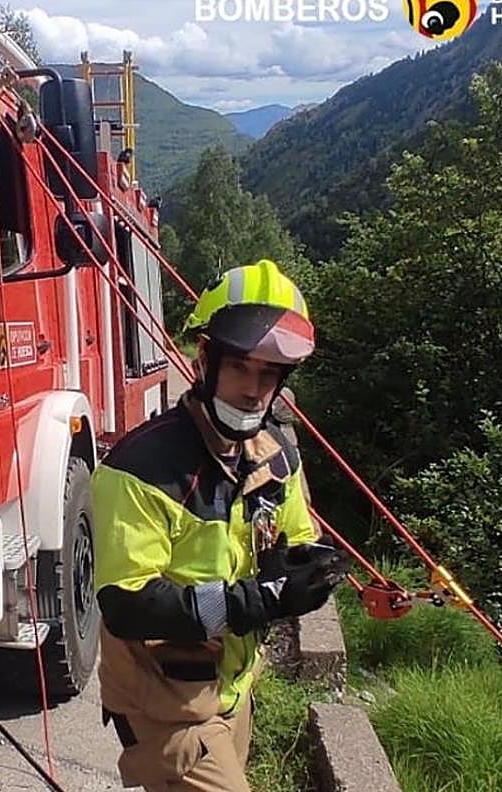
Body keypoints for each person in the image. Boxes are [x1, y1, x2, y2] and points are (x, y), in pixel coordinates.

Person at [92, 258, 350, 791]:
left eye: (269, 374)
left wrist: (304, 567)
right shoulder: (140, 468)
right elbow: (128, 604)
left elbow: (298, 538)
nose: (254, 390)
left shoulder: (274, 455)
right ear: (205, 359)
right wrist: (261, 600)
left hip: (234, 690)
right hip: (163, 704)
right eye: (240, 368)